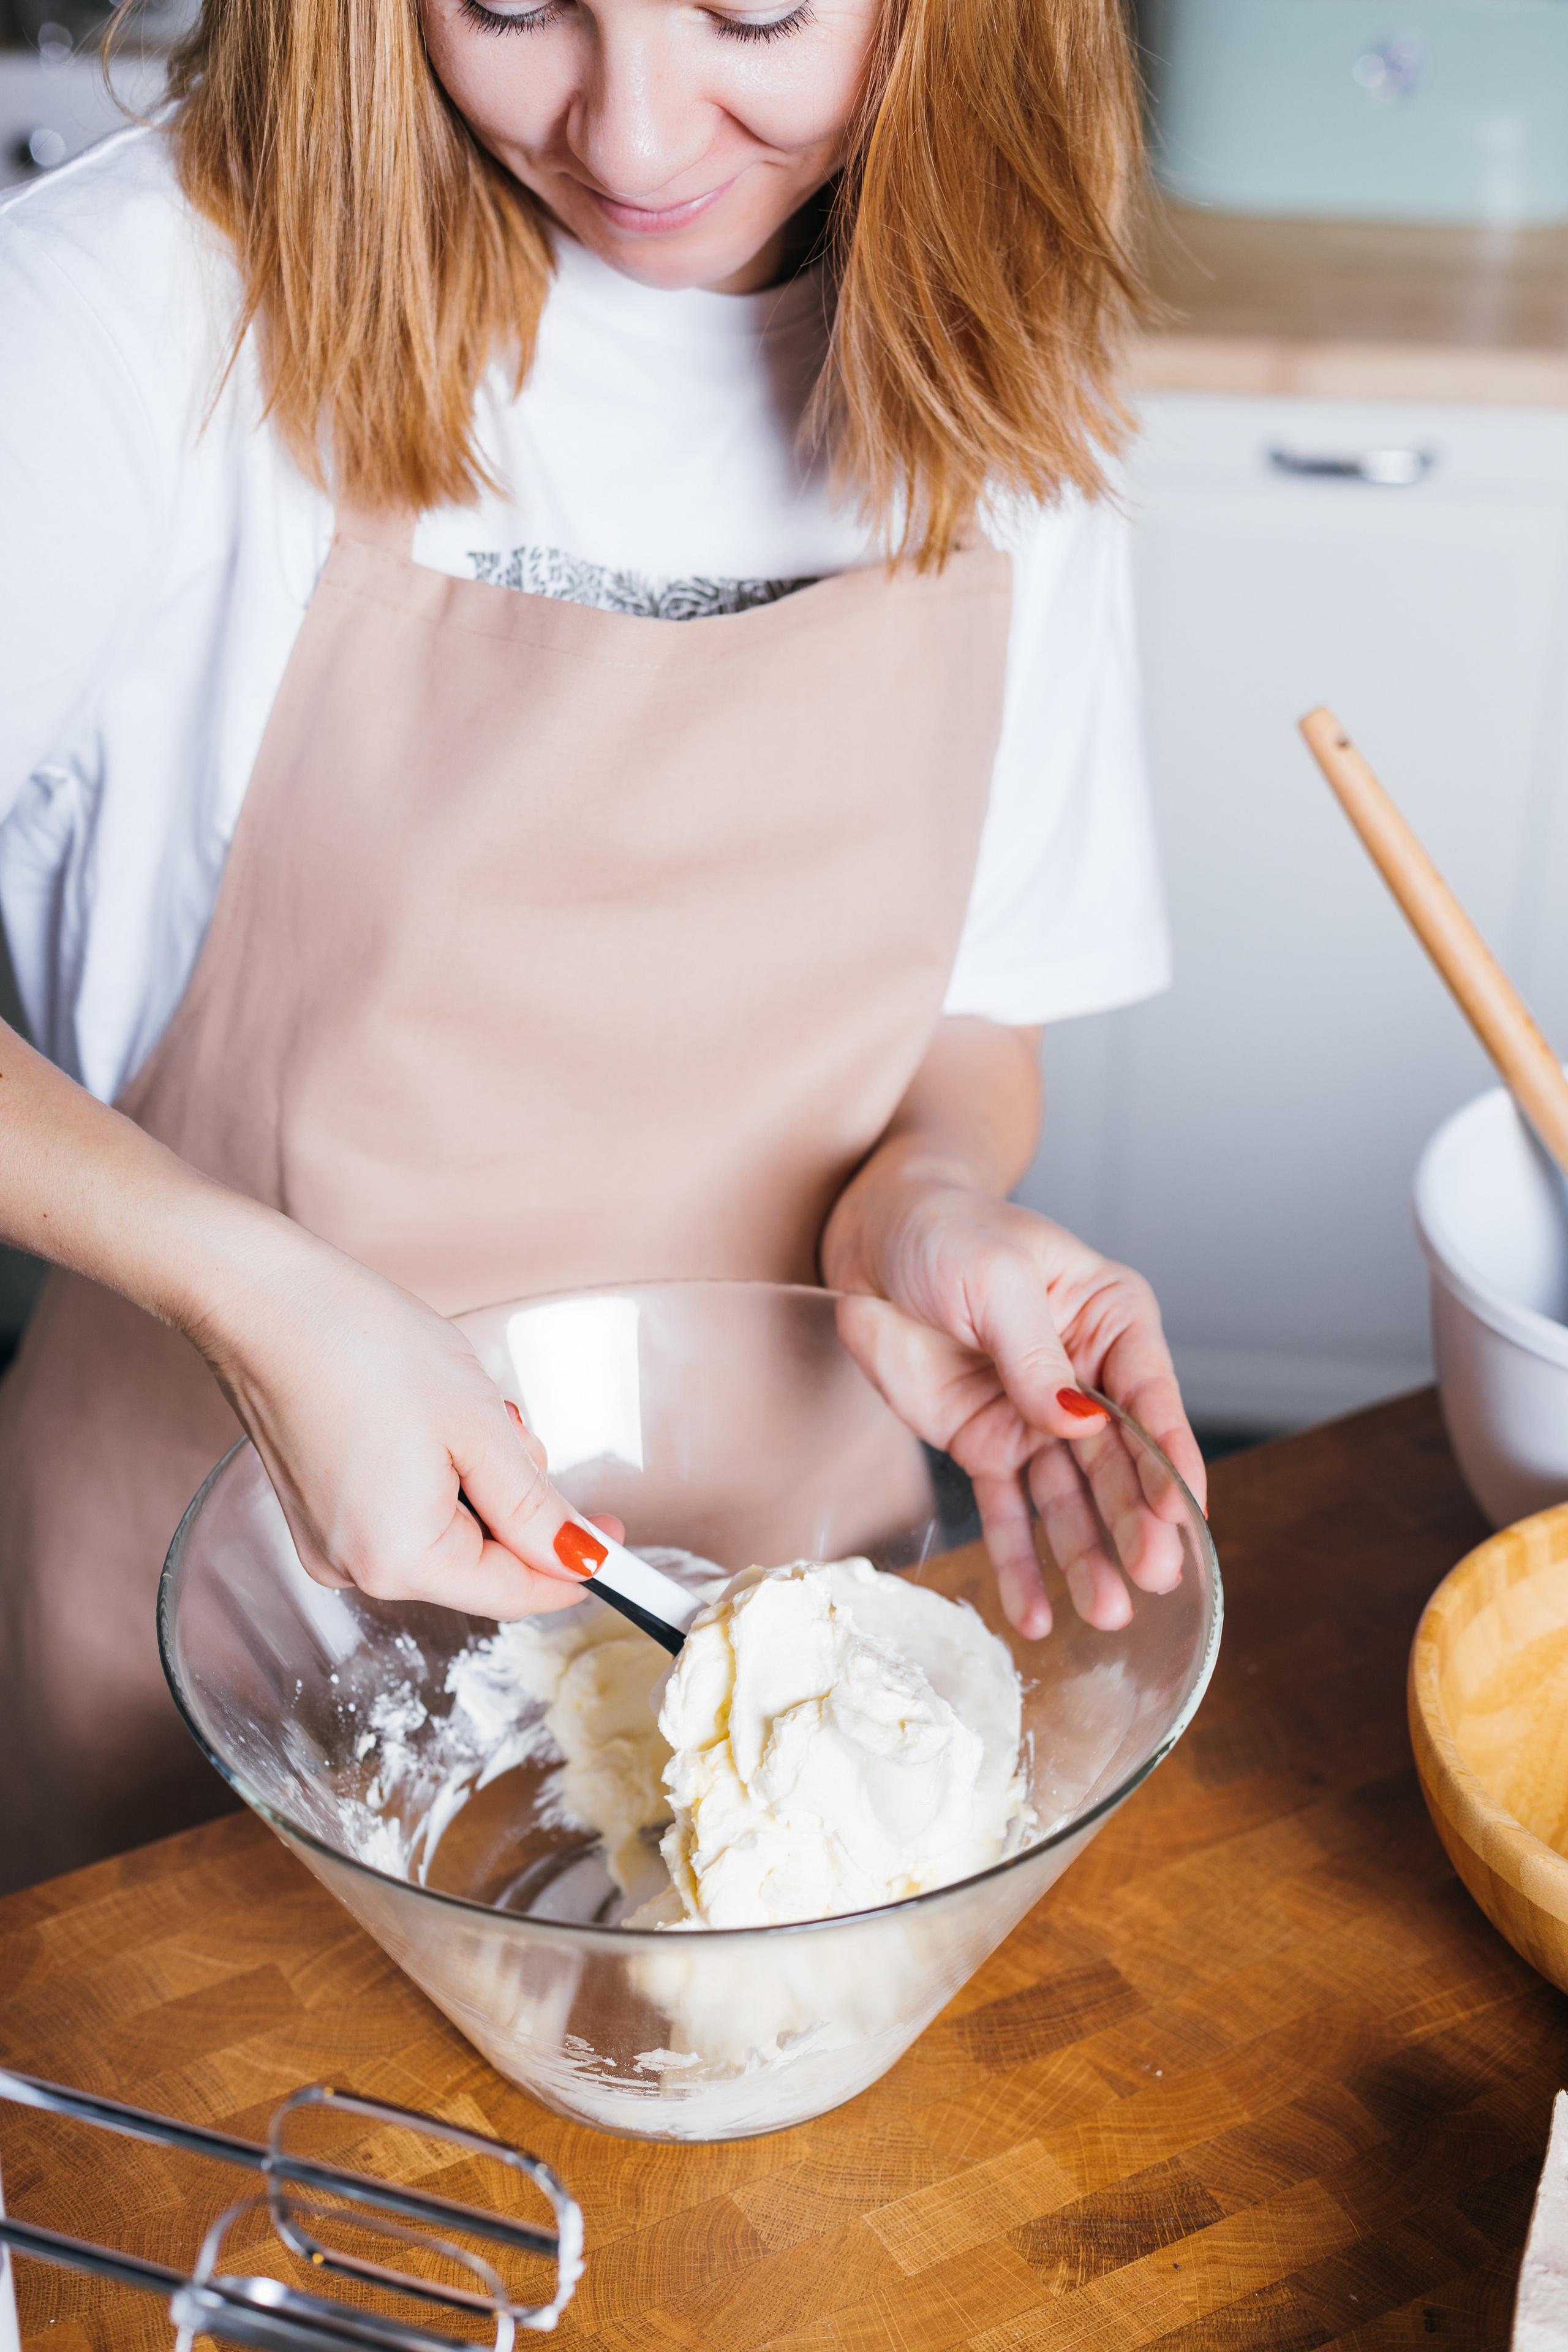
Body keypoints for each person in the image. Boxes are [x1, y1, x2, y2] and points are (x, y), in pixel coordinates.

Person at [0, 0, 1205, 1895]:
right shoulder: (133, 307)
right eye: (505, 1)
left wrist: (933, 1191)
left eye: (753, 9)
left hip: (792, 1606)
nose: (635, 139)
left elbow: (977, 993)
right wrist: (263, 1297)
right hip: (203, 1653)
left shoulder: (992, 353)